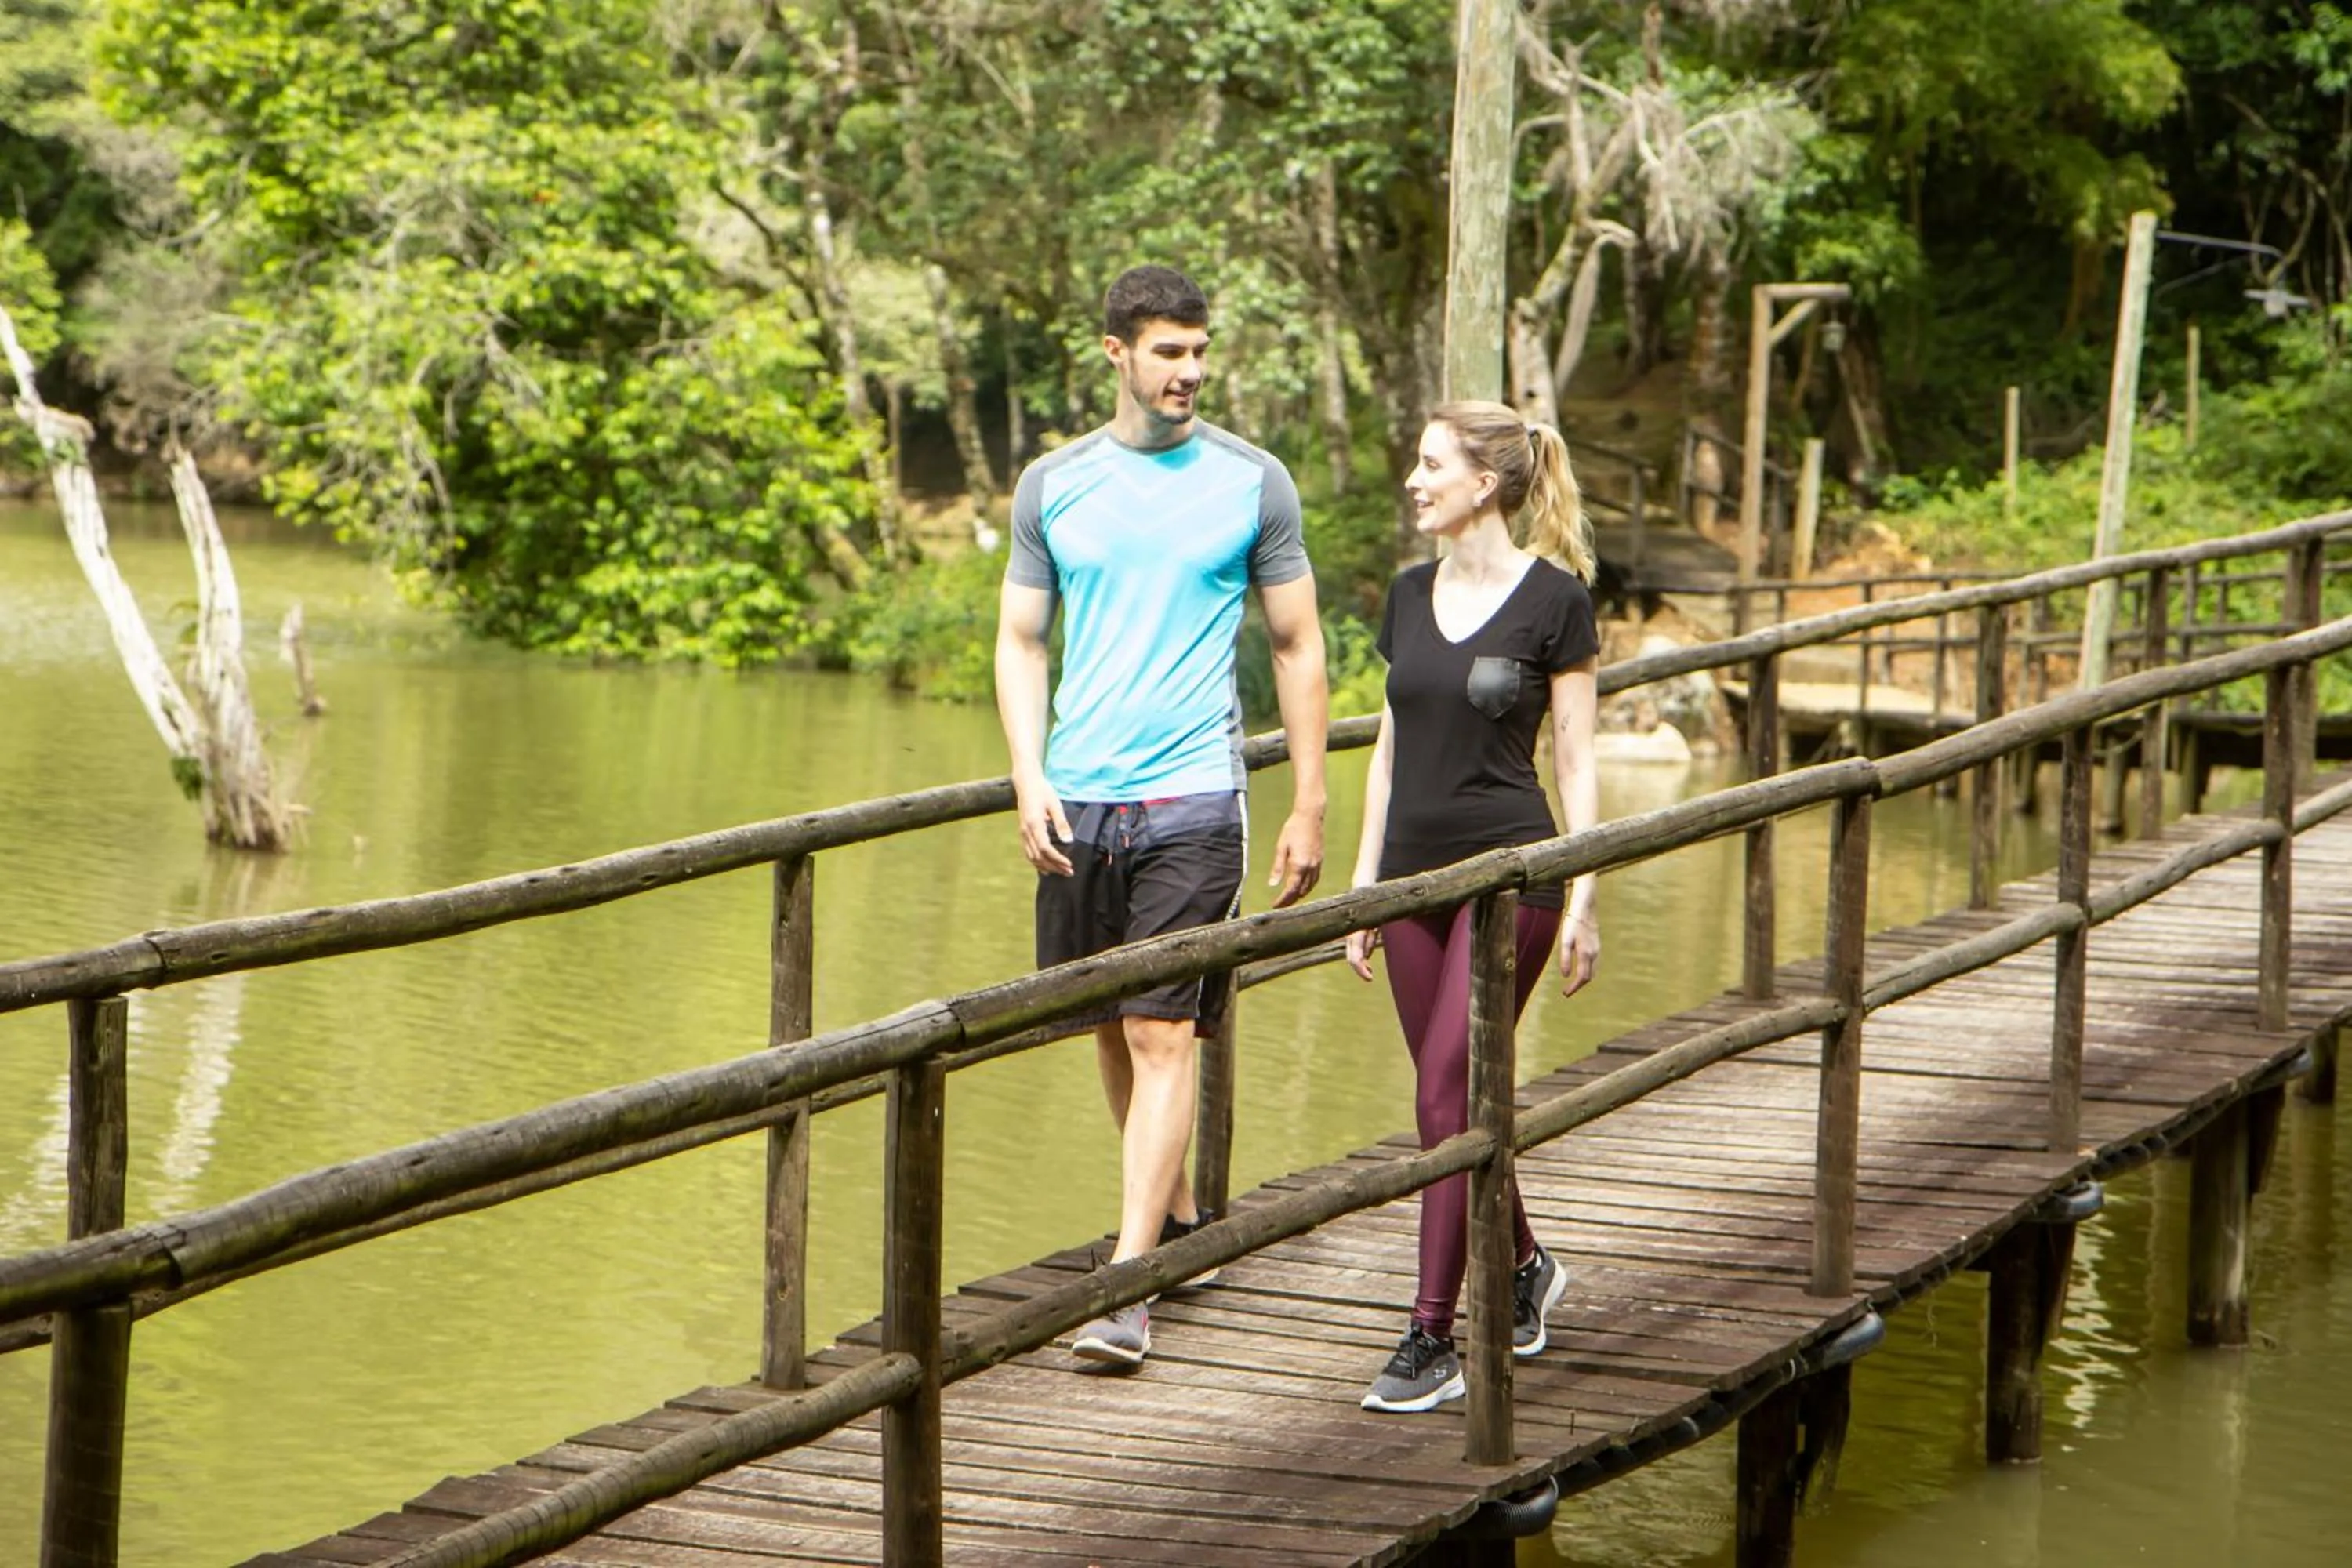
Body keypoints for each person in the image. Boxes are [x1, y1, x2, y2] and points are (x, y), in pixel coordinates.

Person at [994, 264, 1330, 1367]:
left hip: (1195, 794)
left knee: (1158, 1028)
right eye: (1168, 352)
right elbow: (1022, 642)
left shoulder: (1253, 482)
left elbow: (1296, 645)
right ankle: (1182, 1223)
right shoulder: (1052, 486)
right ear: (1115, 354)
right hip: (1080, 797)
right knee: (1107, 1022)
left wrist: (1310, 800)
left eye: (1199, 350)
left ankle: (1129, 1282)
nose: (1190, 371)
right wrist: (1027, 772)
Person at [1342, 400, 1602, 1413]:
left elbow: (1575, 758)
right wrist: (1364, 887)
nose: (1414, 480)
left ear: (1484, 483)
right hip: (1412, 877)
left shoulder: (1556, 602)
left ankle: (1430, 1334)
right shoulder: (1408, 596)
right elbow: (1392, 747)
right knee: (1450, 1100)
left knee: (1442, 1094)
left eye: (1430, 463)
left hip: (1511, 877)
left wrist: (1583, 892)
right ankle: (1527, 1262)